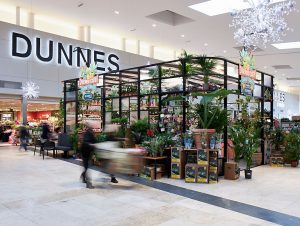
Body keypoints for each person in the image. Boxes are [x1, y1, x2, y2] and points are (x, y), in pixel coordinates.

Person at [80, 122, 97, 189]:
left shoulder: (91, 132)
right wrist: (91, 144)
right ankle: (88, 183)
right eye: (91, 125)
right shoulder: (87, 133)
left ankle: (83, 176)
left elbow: (94, 140)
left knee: (87, 166)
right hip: (85, 151)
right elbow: (85, 142)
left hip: (88, 151)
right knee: (87, 166)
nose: (92, 126)